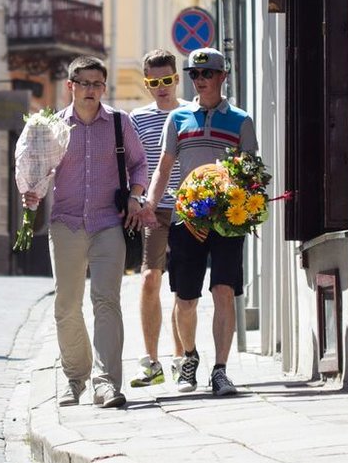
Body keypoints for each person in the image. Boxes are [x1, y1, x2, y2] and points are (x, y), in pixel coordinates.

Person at [25, 55, 148, 409]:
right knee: (66, 306)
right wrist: (31, 189)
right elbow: (39, 170)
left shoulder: (119, 123)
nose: (91, 90)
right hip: (65, 224)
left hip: (109, 223)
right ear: (71, 87)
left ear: (103, 88)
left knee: (106, 301)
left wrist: (137, 196)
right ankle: (74, 379)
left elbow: (139, 164)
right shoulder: (53, 127)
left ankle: (106, 383)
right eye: (84, 83)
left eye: (97, 84)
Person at [138, 47, 258, 397]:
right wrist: (149, 203)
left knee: (223, 290)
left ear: (223, 76)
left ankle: (220, 370)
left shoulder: (240, 120)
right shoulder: (177, 119)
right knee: (186, 297)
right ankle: (189, 357)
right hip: (186, 217)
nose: (200, 80)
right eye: (194, 75)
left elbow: (250, 170)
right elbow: (163, 166)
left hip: (226, 219)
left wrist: (247, 203)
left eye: (207, 74)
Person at [128, 49, 188, 388]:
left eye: (167, 80)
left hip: (189, 210)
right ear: (147, 83)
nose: (161, 87)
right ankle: (151, 362)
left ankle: (181, 360)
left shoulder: (190, 114)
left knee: (182, 285)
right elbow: (134, 165)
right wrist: (135, 200)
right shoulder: (138, 119)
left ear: (177, 79)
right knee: (150, 278)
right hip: (153, 210)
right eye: (154, 82)